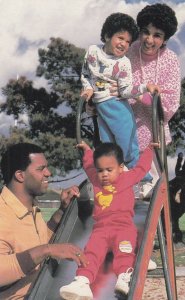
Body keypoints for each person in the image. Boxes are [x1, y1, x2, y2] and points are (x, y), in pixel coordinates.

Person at [60, 140, 158, 299]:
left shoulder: (127, 178)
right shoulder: (96, 180)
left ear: (120, 168)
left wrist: (149, 151)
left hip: (123, 228)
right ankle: (82, 281)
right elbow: (88, 166)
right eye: (101, 170)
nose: (104, 174)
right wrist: (86, 150)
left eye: (109, 170)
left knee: (124, 252)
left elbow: (142, 168)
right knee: (91, 253)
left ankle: (124, 278)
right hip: (101, 229)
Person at [0, 143, 88, 300]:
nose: (48, 173)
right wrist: (47, 250)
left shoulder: (30, 207)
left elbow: (37, 243)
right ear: (20, 175)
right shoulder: (2, 214)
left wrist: (62, 211)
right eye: (41, 169)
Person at [81, 12, 160, 179]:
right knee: (108, 145)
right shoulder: (92, 52)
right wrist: (88, 88)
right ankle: (115, 177)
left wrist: (145, 87)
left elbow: (125, 90)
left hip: (117, 106)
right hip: (100, 107)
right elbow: (86, 74)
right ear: (108, 35)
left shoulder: (123, 63)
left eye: (128, 42)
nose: (124, 44)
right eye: (120, 38)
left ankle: (140, 175)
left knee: (126, 142)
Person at [125, 3, 181, 198]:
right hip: (123, 133)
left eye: (157, 35)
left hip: (153, 137)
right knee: (123, 193)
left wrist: (141, 97)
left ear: (165, 38)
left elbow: (171, 102)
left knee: (151, 196)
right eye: (145, 32)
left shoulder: (171, 60)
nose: (149, 40)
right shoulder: (128, 51)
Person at [169, 152, 185, 243]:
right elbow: (178, 169)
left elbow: (178, 169)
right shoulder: (180, 174)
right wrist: (179, 159)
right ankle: (176, 236)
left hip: (178, 192)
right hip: (176, 189)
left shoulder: (180, 174)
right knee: (175, 216)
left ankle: (176, 236)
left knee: (175, 216)